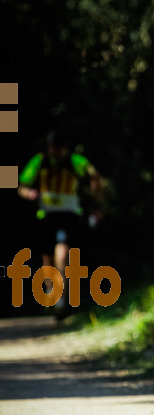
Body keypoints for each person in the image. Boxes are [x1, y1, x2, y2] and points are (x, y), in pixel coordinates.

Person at [18, 129, 103, 318]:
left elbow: (95, 177)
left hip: (68, 214)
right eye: (52, 148)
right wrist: (30, 194)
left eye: (58, 148)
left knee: (62, 251)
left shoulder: (75, 161)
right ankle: (52, 293)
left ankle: (61, 299)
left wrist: (96, 203)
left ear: (64, 148)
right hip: (46, 215)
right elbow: (22, 186)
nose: (55, 152)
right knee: (47, 257)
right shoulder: (39, 161)